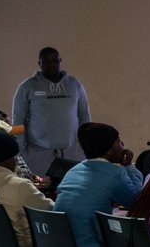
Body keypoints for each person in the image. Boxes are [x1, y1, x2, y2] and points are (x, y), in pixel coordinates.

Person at [52, 122, 144, 247]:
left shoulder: (73, 171)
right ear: (110, 148)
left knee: (103, 242)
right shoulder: (115, 173)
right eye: (118, 141)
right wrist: (130, 166)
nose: (122, 145)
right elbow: (136, 200)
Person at [11, 47, 91, 176]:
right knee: (44, 192)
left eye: (55, 60)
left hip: (72, 152)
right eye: (46, 61)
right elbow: (17, 121)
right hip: (38, 154)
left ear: (60, 61)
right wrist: (19, 151)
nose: (51, 64)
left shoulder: (74, 84)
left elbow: (84, 115)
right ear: (40, 63)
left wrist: (86, 144)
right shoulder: (27, 87)